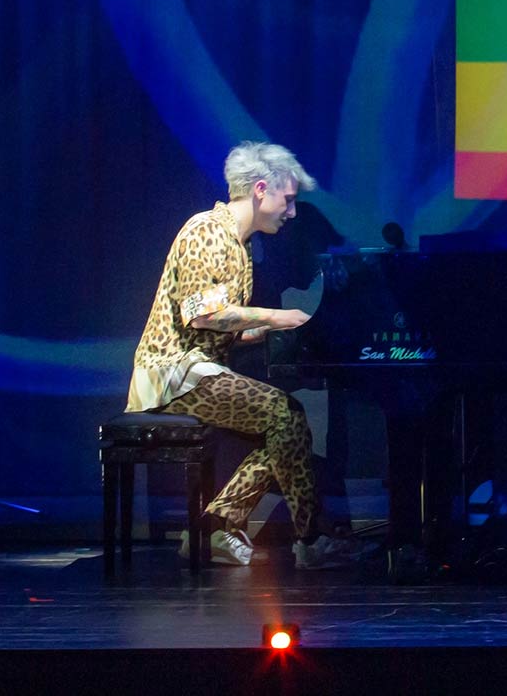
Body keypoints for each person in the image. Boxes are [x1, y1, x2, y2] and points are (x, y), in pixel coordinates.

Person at [124, 141, 358, 569]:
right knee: (286, 415)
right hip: (171, 374)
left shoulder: (240, 245)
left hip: (200, 371)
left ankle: (218, 525)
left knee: (287, 425)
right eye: (288, 200)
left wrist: (284, 330)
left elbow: (225, 326)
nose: (292, 212)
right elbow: (203, 315)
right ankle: (307, 539)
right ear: (260, 190)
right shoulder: (205, 231)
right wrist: (277, 316)